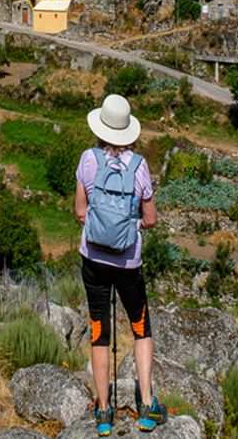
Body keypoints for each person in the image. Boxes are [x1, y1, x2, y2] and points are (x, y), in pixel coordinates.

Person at [75, 94, 167, 436]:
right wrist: (132, 225)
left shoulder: (87, 160)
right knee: (141, 328)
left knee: (99, 330)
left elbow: (80, 212)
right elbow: (152, 218)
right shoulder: (139, 166)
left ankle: (102, 413)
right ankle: (146, 407)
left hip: (94, 261)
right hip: (128, 263)